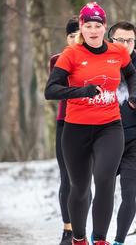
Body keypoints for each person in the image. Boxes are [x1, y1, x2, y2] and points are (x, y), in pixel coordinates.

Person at [45, 2, 136, 245]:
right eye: (88, 25)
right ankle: (78, 238)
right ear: (82, 28)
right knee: (79, 186)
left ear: (104, 26)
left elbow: (130, 74)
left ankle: (100, 240)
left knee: (105, 179)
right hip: (75, 129)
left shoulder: (117, 51)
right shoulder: (71, 54)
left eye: (98, 25)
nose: (94, 30)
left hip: (110, 126)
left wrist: (134, 95)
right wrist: (81, 91)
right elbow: (51, 90)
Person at [106, 21, 136, 245]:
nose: (125, 44)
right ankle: (97, 237)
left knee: (129, 193)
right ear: (110, 40)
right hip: (103, 139)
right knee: (103, 193)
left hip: (134, 140)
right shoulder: (102, 63)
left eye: (129, 40)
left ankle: (118, 241)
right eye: (119, 40)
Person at [49, 16, 80, 245]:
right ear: (66, 38)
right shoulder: (58, 60)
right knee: (67, 178)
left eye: (78, 34)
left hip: (92, 124)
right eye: (71, 35)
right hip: (65, 122)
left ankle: (82, 229)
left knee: (86, 180)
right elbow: (55, 90)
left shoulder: (100, 58)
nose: (76, 39)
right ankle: (68, 230)